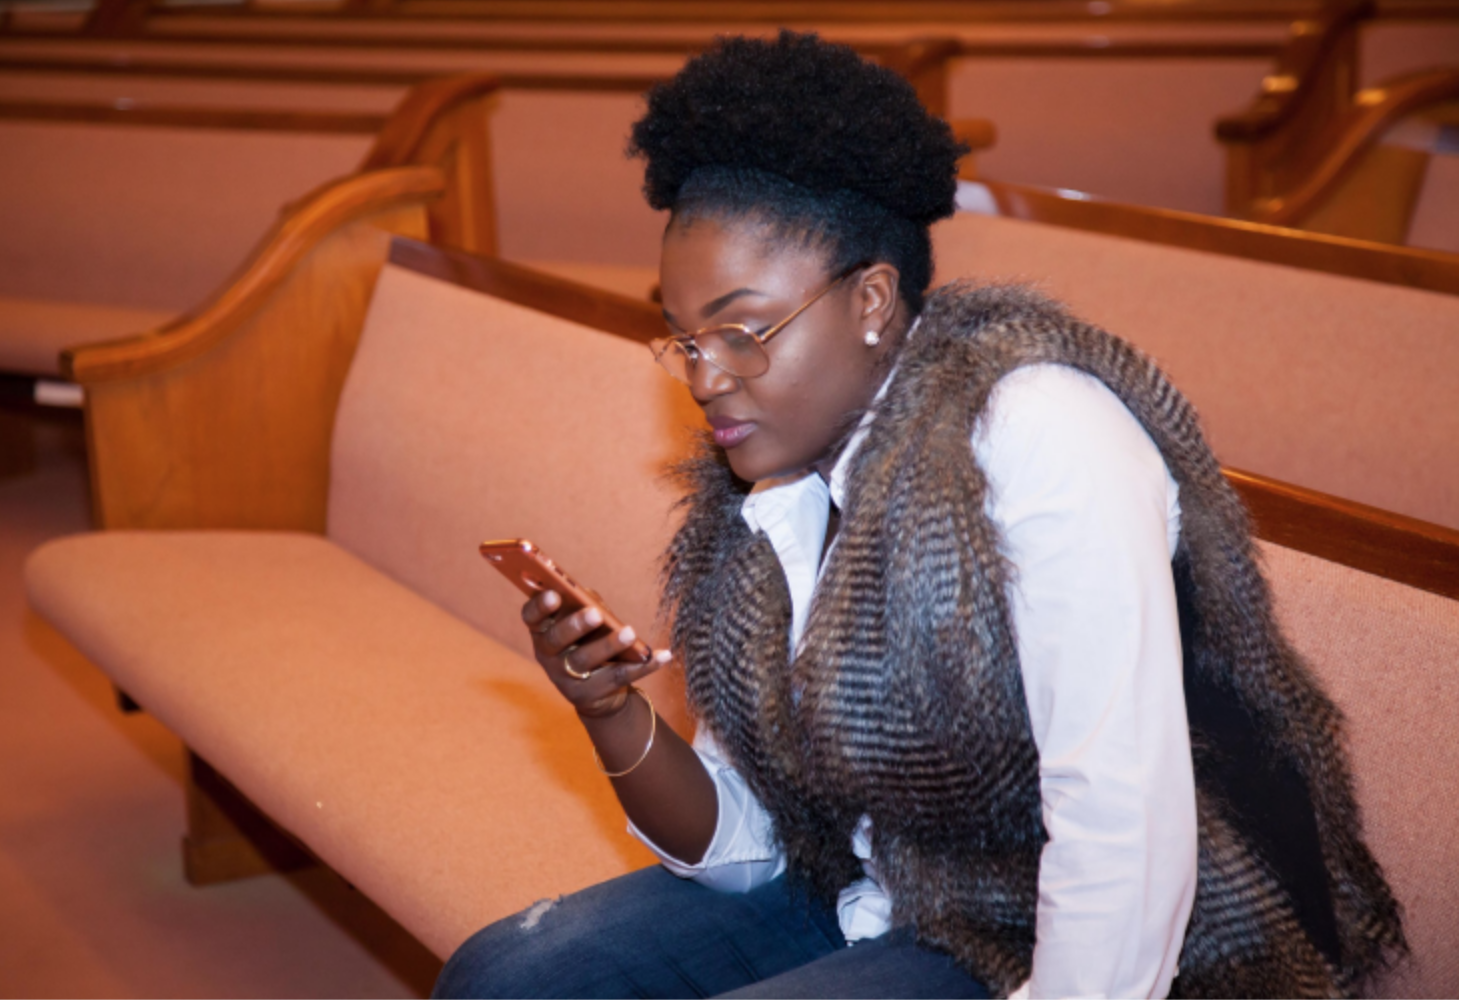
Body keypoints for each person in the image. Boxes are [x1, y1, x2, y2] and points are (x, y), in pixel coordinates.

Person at [435, 32, 1403, 999]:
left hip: (1063, 932)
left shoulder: (1032, 430)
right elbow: (752, 850)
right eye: (684, 339)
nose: (704, 377)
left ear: (870, 300)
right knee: (504, 979)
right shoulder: (764, 483)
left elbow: (1120, 827)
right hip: (869, 894)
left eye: (741, 330)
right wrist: (607, 709)